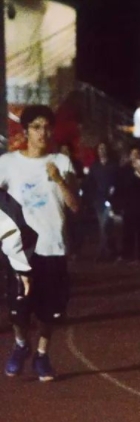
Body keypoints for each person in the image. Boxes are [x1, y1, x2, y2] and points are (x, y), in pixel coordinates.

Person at [0, 105, 80, 382]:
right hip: (20, 250)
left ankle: (42, 355)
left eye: (47, 127)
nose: (42, 133)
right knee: (18, 310)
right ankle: (21, 344)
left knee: (50, 311)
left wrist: (59, 179)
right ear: (25, 131)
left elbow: (75, 205)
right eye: (36, 127)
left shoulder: (61, 161)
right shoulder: (8, 162)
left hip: (53, 246)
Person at [85, 141, 119, 261]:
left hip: (111, 199)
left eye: (104, 148)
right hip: (99, 200)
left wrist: (114, 189)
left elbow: (118, 180)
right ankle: (106, 251)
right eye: (100, 148)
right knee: (103, 225)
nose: (102, 151)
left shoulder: (113, 165)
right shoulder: (95, 166)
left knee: (108, 225)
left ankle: (106, 251)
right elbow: (90, 182)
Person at [116, 145, 140, 264]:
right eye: (133, 154)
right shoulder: (125, 170)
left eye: (137, 154)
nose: (135, 156)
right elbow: (121, 187)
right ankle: (127, 254)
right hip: (129, 205)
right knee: (128, 231)